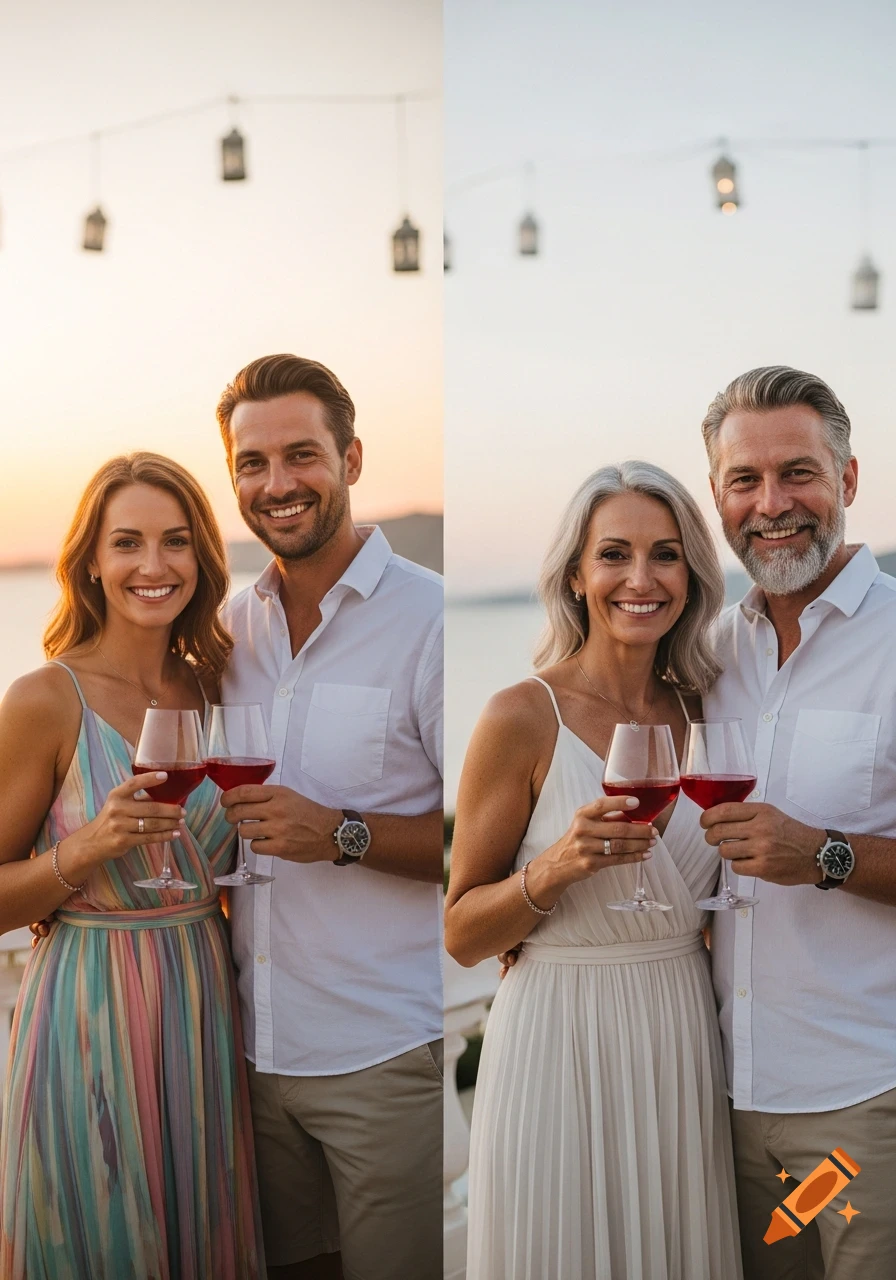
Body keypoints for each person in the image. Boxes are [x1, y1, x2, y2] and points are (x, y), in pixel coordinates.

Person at [446, 461, 742, 1280]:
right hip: (558, 1041)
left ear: (692, 575)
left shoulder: (709, 712)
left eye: (666, 554)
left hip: (681, 1036)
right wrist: (555, 868)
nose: (641, 579)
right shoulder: (520, 714)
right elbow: (463, 933)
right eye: (614, 554)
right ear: (576, 575)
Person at [0, 453, 264, 1279]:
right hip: (88, 1008)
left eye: (176, 541)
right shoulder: (46, 698)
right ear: (90, 562)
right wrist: (88, 847)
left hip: (203, 1004)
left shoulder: (219, 689)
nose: (154, 565)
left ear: (202, 558)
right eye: (127, 542)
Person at [214, 354, 444, 1280]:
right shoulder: (226, 632)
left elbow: (482, 848)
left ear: (350, 458)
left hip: (382, 1056)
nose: (277, 484)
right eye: (252, 463)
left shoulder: (427, 619)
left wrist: (341, 833)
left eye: (300, 455)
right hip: (250, 1057)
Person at [697, 366, 896, 1280]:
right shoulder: (708, 652)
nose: (771, 504)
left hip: (862, 1108)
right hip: (729, 1103)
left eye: (798, 473)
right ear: (718, 496)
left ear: (847, 479)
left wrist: (824, 855)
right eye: (745, 479)